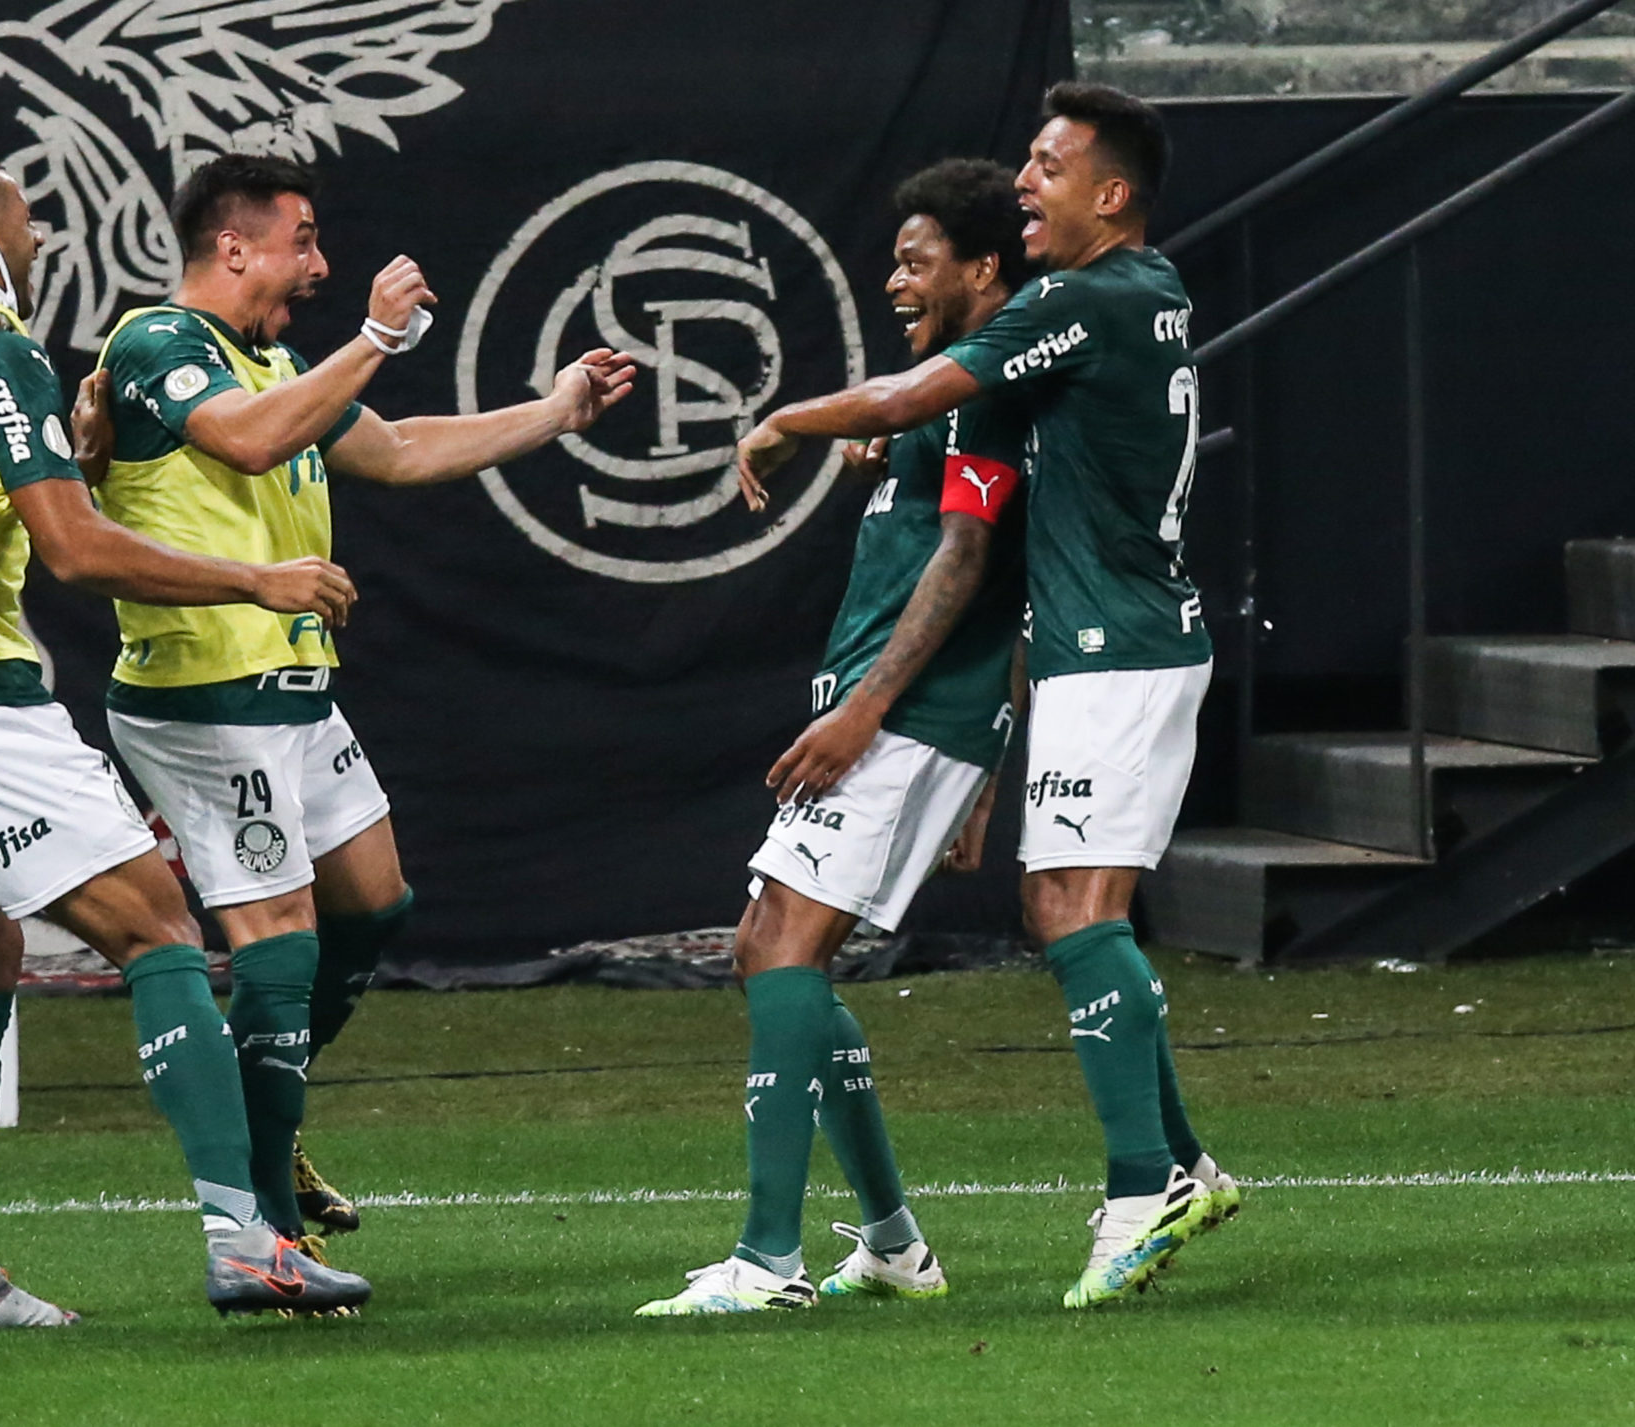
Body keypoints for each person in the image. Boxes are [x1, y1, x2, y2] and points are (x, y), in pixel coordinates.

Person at [0, 155, 371, 1330]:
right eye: (29, 227)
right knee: (164, 933)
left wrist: (74, 445)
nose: (45, 241)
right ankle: (246, 1237)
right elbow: (73, 546)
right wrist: (255, 577)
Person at [736, 83, 1241, 1311]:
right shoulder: (1151, 292)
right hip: (1106, 643)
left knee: (1071, 904)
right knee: (1062, 902)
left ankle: (1140, 1185)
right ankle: (1175, 1163)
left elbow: (928, 416)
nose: (1027, 181)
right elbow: (953, 425)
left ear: (1109, 195)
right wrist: (890, 437)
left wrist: (786, 422)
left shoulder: (1078, 298)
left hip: (1112, 644)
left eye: (1049, 164)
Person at [93, 154, 634, 1244]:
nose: (320, 264)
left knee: (372, 904)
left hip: (291, 692)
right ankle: (260, 1227)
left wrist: (555, 410)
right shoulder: (156, 343)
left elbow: (395, 449)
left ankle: (261, 1110)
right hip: (202, 691)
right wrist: (378, 337)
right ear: (233, 245)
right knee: (279, 942)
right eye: (302, 239)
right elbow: (248, 439)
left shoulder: (278, 360)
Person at [636, 159, 1033, 1316]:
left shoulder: (990, 387)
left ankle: (767, 1259)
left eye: (917, 260)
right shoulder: (952, 394)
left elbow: (974, 566)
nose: (894, 279)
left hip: (900, 713)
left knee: (787, 944)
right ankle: (895, 1244)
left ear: (981, 266)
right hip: (903, 711)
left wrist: (866, 714)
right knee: (768, 946)